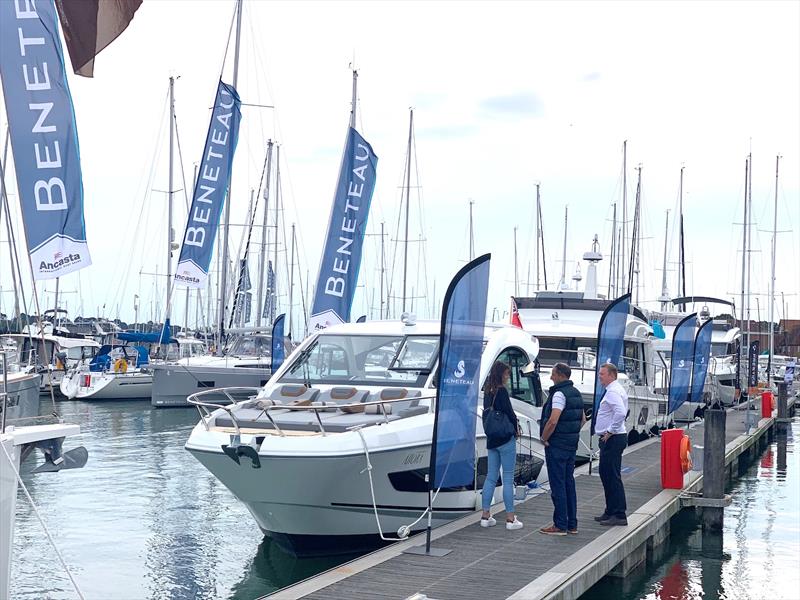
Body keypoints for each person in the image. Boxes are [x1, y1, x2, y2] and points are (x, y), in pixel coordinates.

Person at [539, 362, 586, 536]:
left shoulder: (559, 394)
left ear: (560, 375)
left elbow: (553, 420)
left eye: (553, 374)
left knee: (558, 484)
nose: (551, 377)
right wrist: (571, 433)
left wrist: (544, 438)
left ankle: (560, 524)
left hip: (557, 445)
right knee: (568, 483)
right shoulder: (576, 393)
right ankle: (572, 524)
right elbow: (583, 420)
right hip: (571, 445)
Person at [480, 361, 523, 530]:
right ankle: (510, 518)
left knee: (491, 477)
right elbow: (509, 413)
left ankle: (485, 515)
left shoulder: (487, 391)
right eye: (506, 374)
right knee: (508, 478)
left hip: (492, 439)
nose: (507, 377)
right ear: (501, 374)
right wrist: (516, 428)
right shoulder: (502, 391)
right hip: (505, 439)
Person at [595, 362, 629, 526]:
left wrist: (610, 431)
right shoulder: (613, 390)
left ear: (611, 375)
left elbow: (621, 412)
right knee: (606, 474)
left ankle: (619, 513)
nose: (599, 377)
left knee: (612, 475)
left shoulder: (613, 391)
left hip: (613, 438)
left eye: (602, 374)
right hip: (612, 438)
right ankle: (610, 510)